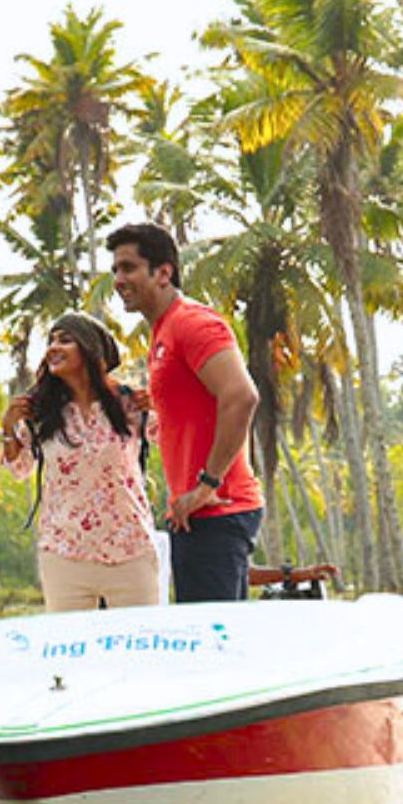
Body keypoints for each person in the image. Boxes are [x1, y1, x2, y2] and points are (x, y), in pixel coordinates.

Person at [106, 222, 265, 602]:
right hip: (197, 515)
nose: (118, 279)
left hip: (217, 509)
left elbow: (241, 396)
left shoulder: (192, 323)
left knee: (215, 651)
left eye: (128, 267)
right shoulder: (163, 333)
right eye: (115, 270)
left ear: (163, 272)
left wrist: (207, 484)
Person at [0, 312, 160, 612]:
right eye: (51, 341)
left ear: (91, 349)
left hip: (130, 550)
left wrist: (160, 404)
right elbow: (19, 468)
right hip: (65, 553)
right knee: (67, 655)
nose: (52, 348)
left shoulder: (129, 403)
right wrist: (9, 427)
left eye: (65, 339)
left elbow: (173, 436)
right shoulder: (41, 412)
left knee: (136, 653)